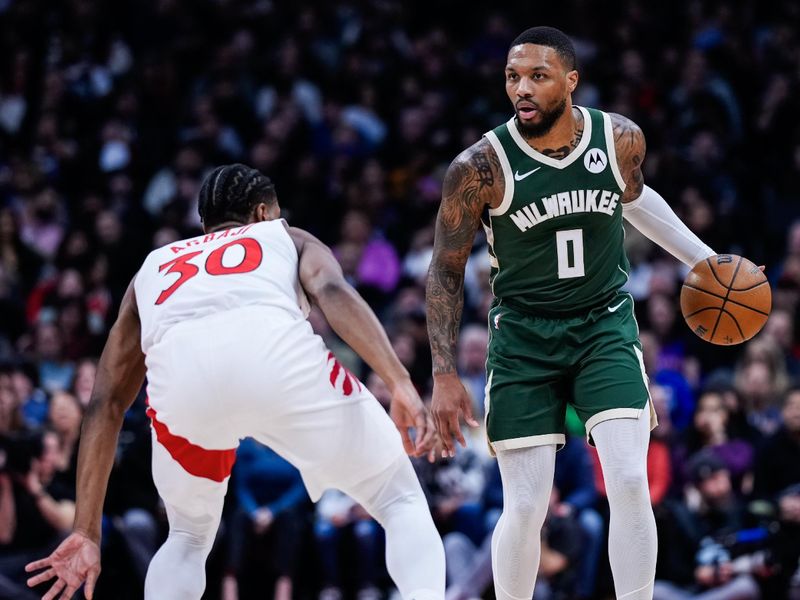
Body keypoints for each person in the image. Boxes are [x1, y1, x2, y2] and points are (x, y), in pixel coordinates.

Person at [25, 163, 446, 600]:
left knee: (186, 537)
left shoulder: (153, 267)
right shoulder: (285, 236)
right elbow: (332, 292)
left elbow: (106, 402)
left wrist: (86, 529)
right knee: (399, 500)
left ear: (204, 225)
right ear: (263, 213)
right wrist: (398, 381)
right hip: (280, 370)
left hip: (186, 398)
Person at [426, 26, 720, 600]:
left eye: (537, 75)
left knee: (631, 480)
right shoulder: (481, 166)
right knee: (528, 504)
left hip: (602, 322)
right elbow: (444, 269)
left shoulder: (619, 139)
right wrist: (441, 371)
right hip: (523, 336)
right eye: (513, 77)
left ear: (570, 80)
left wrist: (704, 261)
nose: (522, 89)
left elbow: (634, 198)